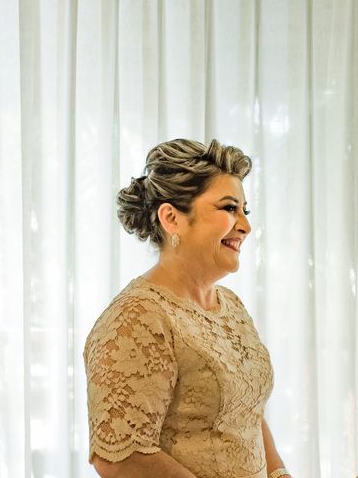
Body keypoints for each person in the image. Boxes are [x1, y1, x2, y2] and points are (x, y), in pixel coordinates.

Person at [84, 139, 291, 478]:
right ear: (172, 219)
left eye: (245, 210)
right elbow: (121, 457)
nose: (245, 225)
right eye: (228, 208)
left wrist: (280, 474)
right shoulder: (137, 317)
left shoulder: (231, 306)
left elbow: (247, 411)